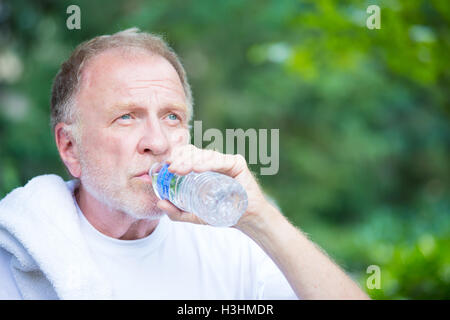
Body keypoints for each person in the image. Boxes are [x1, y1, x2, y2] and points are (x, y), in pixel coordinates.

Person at [0, 28, 369, 300]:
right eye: (127, 117)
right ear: (69, 147)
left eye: (172, 117)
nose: (158, 142)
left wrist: (263, 220)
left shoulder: (230, 243)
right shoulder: (20, 254)